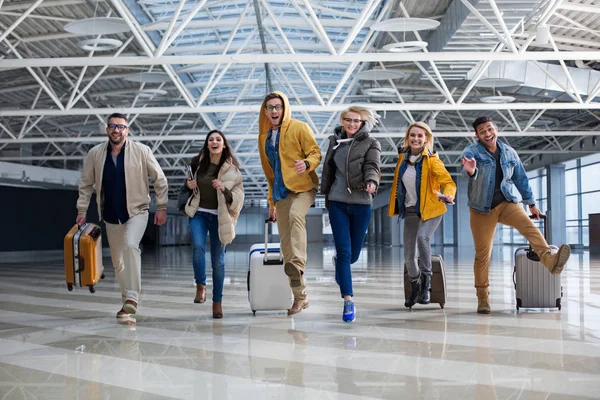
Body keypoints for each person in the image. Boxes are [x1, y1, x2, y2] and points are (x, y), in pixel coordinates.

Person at [461, 116, 571, 314]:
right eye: (482, 131)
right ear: (476, 135)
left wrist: (532, 204)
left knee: (530, 228)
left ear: (496, 129)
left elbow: (521, 178)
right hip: (481, 209)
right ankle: (483, 298)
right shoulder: (471, 152)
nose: (487, 134)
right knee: (483, 254)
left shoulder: (509, 152)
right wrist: (470, 171)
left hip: (507, 202)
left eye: (490, 129)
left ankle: (549, 260)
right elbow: (470, 172)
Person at [76, 113, 168, 318]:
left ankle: (133, 296)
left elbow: (159, 179)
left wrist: (161, 206)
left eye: (121, 126)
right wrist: (82, 210)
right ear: (107, 130)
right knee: (117, 261)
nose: (116, 130)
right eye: (112, 126)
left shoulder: (142, 151)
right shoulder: (95, 154)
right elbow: (86, 184)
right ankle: (126, 300)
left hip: (137, 211)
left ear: (127, 130)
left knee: (130, 246)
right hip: (111, 214)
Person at [258, 91, 322, 315]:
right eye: (270, 108)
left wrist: (306, 163)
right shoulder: (264, 138)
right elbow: (270, 173)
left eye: (278, 107)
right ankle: (300, 297)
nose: (274, 111)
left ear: (284, 109)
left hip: (303, 187)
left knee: (296, 215)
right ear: (265, 112)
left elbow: (316, 152)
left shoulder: (299, 127)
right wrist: (271, 203)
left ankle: (300, 263)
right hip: (280, 193)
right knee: (286, 247)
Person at [320, 106, 381, 322]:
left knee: (353, 255)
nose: (352, 124)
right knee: (345, 253)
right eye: (348, 120)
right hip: (337, 201)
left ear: (363, 122)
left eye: (356, 121)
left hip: (361, 202)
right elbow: (328, 169)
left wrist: (372, 181)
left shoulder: (371, 143)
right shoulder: (334, 141)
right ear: (342, 121)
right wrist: (324, 192)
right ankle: (348, 300)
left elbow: (372, 165)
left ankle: (340, 263)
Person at [388, 122, 456, 308]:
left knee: (422, 238)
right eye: (413, 135)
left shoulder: (432, 160)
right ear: (408, 138)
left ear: (426, 139)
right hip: (411, 210)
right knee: (409, 256)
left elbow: (447, 181)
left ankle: (427, 285)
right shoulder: (402, 158)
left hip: (432, 209)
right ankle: (415, 287)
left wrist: (449, 194)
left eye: (420, 135)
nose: (416, 139)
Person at [178, 129, 244, 319]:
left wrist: (224, 189)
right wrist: (189, 186)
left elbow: (239, 197)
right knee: (198, 246)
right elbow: (187, 187)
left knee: (218, 262)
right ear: (207, 144)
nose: (214, 142)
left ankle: (217, 302)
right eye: (211, 139)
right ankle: (200, 285)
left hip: (220, 217)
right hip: (198, 213)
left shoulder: (233, 170)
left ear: (224, 144)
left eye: (218, 139)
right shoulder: (197, 164)